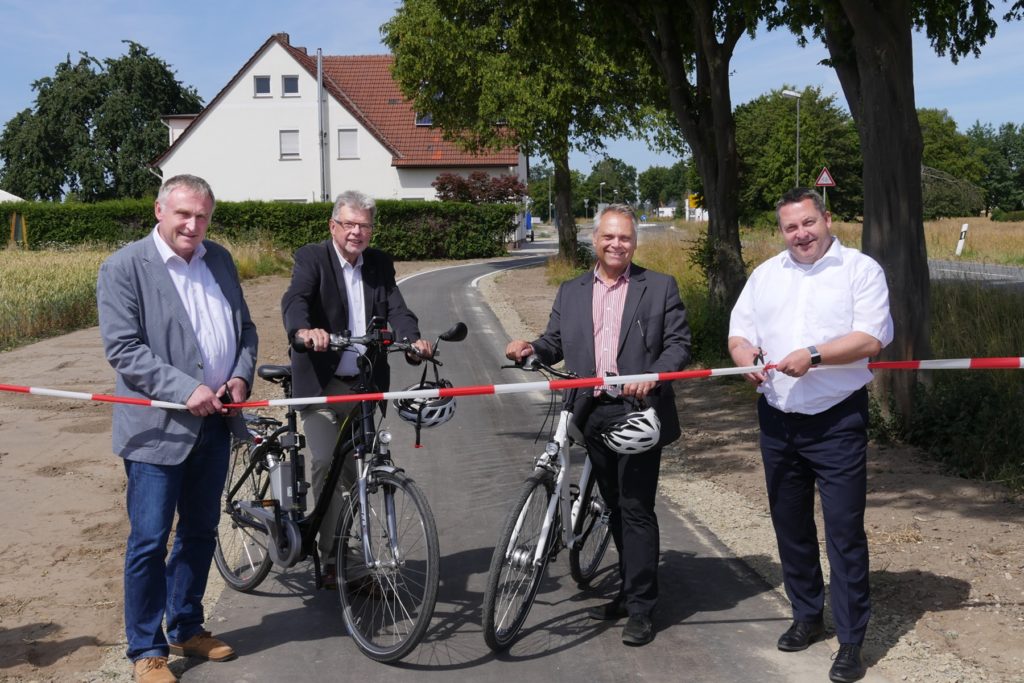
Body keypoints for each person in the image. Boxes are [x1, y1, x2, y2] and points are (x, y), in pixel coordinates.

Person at [505, 203, 691, 646]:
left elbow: (679, 345)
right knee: (612, 505)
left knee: (636, 508)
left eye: (625, 237)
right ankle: (629, 590)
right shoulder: (571, 291)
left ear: (634, 242)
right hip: (590, 413)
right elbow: (553, 343)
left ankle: (643, 607)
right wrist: (530, 348)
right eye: (609, 236)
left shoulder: (659, 287)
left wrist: (654, 375)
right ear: (595, 239)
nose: (616, 244)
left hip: (638, 414)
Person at [727, 187, 894, 683]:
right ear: (781, 231)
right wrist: (744, 361)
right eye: (790, 227)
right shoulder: (765, 276)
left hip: (836, 420)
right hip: (777, 419)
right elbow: (740, 333)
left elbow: (871, 337)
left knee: (843, 534)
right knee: (791, 526)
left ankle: (850, 641)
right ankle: (806, 615)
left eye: (808, 223)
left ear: (826, 219)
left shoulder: (861, 270)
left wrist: (815, 354)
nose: (800, 235)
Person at [97, 174, 258, 683]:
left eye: (202, 216)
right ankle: (146, 650)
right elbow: (123, 348)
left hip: (215, 425)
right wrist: (185, 388)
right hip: (155, 431)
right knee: (148, 540)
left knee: (199, 532)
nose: (193, 225)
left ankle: (186, 626)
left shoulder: (220, 260)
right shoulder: (124, 267)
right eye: (183, 214)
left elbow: (245, 330)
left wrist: (238, 375)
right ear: (159, 211)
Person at [281, 190, 432, 587]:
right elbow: (296, 298)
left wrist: (413, 340)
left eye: (364, 225)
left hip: (363, 384)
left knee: (361, 472)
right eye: (348, 223)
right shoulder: (312, 258)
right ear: (333, 226)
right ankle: (333, 560)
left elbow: (397, 308)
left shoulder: (379, 264)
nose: (356, 232)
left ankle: (351, 552)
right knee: (328, 461)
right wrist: (303, 330)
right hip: (320, 383)